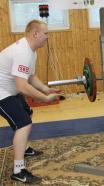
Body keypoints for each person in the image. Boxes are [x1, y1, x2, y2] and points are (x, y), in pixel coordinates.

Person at [0, 20, 61, 184]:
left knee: (27, 113)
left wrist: (46, 90)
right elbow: (22, 85)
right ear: (35, 34)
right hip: (1, 92)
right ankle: (18, 171)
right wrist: (45, 98)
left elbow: (31, 77)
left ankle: (25, 149)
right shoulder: (23, 52)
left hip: (10, 90)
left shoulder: (31, 51)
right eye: (46, 33)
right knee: (23, 124)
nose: (48, 37)